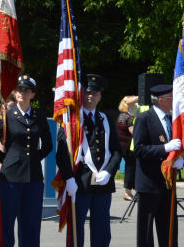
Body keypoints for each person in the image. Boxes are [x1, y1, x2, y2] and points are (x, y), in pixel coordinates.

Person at [0, 75, 53, 247]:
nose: (22, 93)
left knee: (31, 225)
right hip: (11, 179)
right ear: (15, 94)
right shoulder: (7, 116)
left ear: (33, 95)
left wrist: (35, 159)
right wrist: (7, 161)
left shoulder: (39, 116)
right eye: (20, 89)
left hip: (33, 178)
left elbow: (48, 145)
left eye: (26, 90)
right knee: (6, 224)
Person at [57, 74, 121, 247]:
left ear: (100, 96)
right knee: (76, 230)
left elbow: (116, 151)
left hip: (102, 184)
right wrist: (69, 178)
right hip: (79, 182)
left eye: (95, 93)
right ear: (81, 93)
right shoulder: (72, 121)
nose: (90, 96)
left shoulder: (105, 119)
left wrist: (109, 171)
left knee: (102, 230)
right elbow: (62, 153)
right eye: (87, 92)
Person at [133, 84, 181, 247]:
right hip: (149, 181)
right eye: (171, 97)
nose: (173, 100)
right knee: (146, 229)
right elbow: (139, 149)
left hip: (168, 181)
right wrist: (164, 148)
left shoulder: (172, 119)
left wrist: (179, 159)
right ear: (161, 100)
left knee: (168, 227)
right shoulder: (144, 118)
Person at [117, 95, 139, 201]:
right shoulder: (128, 116)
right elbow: (133, 131)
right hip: (128, 147)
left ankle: (129, 191)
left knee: (131, 168)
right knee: (131, 168)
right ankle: (128, 192)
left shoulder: (123, 115)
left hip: (125, 146)